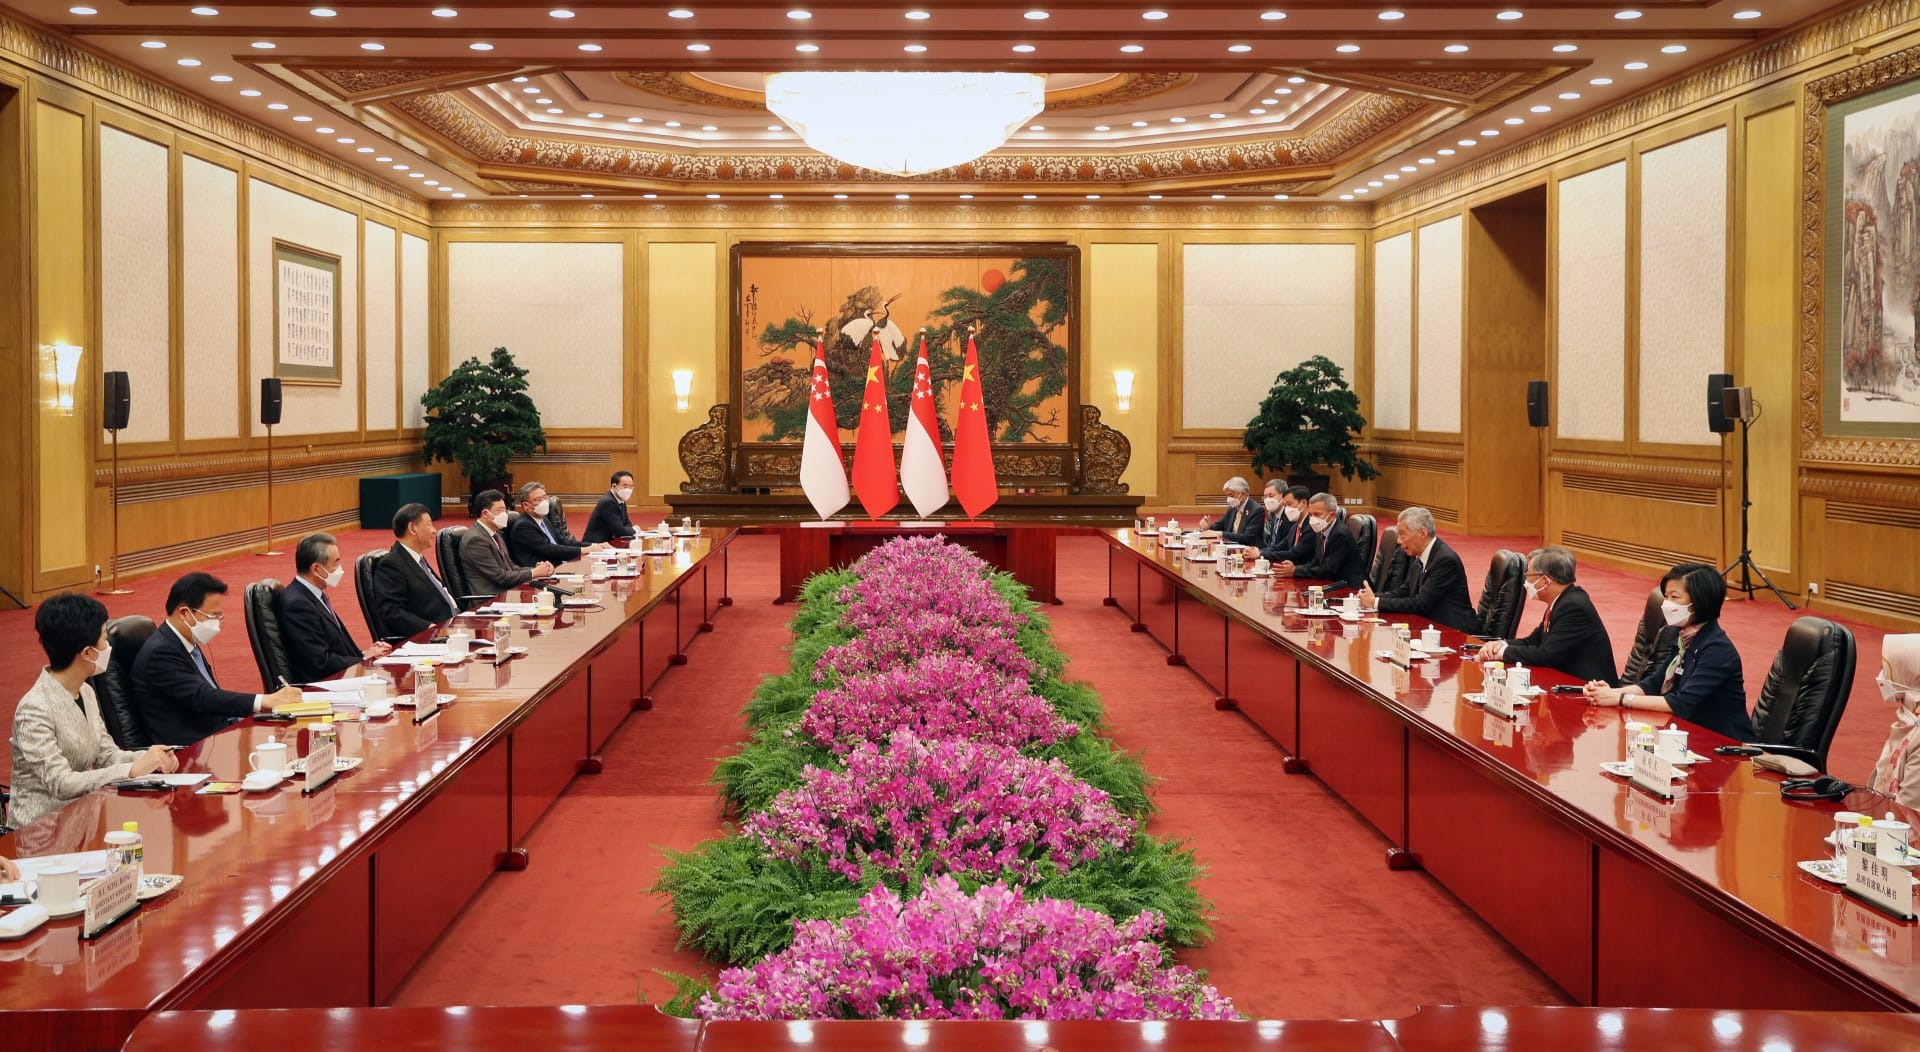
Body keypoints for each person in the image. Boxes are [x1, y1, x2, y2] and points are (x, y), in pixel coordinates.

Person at [8, 593, 178, 828]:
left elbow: (106, 755)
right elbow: (61, 783)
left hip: (81, 822)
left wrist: (150, 758)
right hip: (39, 833)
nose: (108, 646)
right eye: (104, 638)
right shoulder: (34, 709)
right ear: (88, 653)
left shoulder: (85, 691)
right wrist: (131, 769)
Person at [1582, 564, 1755, 742]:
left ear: (1699, 602)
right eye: (1666, 596)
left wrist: (1620, 699)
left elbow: (1679, 703)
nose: (1666, 604)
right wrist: (1611, 693)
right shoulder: (1681, 636)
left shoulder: (1717, 649)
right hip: (1688, 735)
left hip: (1726, 746)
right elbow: (1653, 684)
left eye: (1675, 597)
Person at [132, 573, 302, 745]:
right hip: (190, 748)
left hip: (216, 732)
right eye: (213, 616)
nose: (217, 623)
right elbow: (201, 697)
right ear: (184, 613)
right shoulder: (160, 653)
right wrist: (263, 700)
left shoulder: (186, 640)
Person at [1478, 547, 1618, 685]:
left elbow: (1546, 655)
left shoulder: (1573, 606)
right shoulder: (1562, 601)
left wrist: (1503, 653)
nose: (1526, 581)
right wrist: (1501, 644)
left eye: (1529, 575)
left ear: (1545, 581)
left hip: (1588, 690)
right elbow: (1533, 641)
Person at [280, 532, 391, 684]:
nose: (339, 569)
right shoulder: (297, 604)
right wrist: (363, 659)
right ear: (316, 569)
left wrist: (366, 652)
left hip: (340, 676)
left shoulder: (314, 596)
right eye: (335, 563)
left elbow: (334, 647)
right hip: (324, 686)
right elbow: (320, 662)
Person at [1358, 506, 1477, 635]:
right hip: (1431, 628)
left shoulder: (1445, 561)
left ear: (1422, 533)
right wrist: (1371, 597)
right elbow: (1404, 592)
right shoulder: (1419, 558)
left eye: (1403, 534)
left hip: (1455, 632)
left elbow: (1421, 604)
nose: (1399, 541)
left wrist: (1376, 602)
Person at [371, 503, 463, 640]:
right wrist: (430, 628)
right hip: (432, 637)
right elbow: (392, 612)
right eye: (429, 524)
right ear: (412, 528)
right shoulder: (391, 565)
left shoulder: (417, 559)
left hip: (454, 626)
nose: (434, 531)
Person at [461, 489, 552, 595]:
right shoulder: (475, 540)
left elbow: (510, 567)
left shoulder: (496, 534)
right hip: (489, 599)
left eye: (505, 510)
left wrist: (538, 568)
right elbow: (500, 577)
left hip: (505, 593)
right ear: (485, 513)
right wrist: (533, 573)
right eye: (500, 510)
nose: (505, 514)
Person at [1868, 635, 1920, 808]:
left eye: (1888, 667)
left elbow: (1910, 811)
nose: (1881, 673)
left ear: (1910, 673)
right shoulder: (1908, 718)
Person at [1273, 493, 1365, 589]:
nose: (1312, 519)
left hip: (1350, 588)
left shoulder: (1340, 534)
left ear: (1332, 515)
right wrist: (1295, 569)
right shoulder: (1320, 529)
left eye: (1317, 514)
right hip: (1332, 582)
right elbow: (1316, 562)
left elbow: (1328, 570)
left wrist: (1295, 570)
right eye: (1310, 514)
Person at [507, 482, 605, 568]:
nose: (544, 502)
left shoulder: (544, 518)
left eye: (544, 497)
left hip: (559, 564)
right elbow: (549, 549)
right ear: (526, 506)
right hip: (543, 572)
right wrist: (584, 550)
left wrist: (593, 545)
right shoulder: (523, 526)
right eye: (538, 499)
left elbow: (562, 541)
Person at [583, 470, 640, 544]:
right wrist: (634, 530)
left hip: (609, 542)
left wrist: (630, 530)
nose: (628, 490)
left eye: (630, 486)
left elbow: (626, 523)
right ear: (614, 486)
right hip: (596, 545)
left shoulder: (621, 500)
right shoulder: (609, 502)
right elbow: (619, 531)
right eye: (624, 486)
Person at [1256, 482, 1310, 560]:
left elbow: (1293, 553)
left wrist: (1261, 554)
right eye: (1285, 505)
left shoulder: (1311, 527)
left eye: (1289, 504)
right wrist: (1260, 552)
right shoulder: (1295, 526)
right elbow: (1281, 545)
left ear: (1303, 503)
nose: (1287, 509)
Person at [1208, 476, 1264, 546]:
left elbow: (1247, 537)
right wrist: (1207, 526)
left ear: (1243, 494)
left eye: (1231, 495)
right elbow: (1219, 526)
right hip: (1231, 549)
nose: (1228, 499)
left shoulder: (1256, 510)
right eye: (1227, 496)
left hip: (1249, 550)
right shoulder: (1232, 508)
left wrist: (1221, 534)